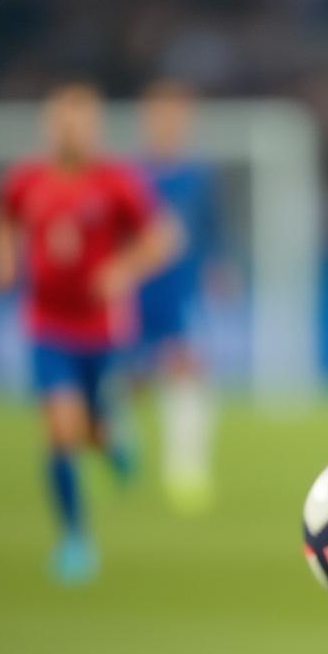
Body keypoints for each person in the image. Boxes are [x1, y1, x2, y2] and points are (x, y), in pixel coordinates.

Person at [0, 83, 176, 584]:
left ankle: (114, 445)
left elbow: (164, 237)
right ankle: (74, 539)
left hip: (103, 328)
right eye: (63, 120)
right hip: (46, 324)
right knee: (61, 429)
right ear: (49, 126)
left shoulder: (116, 181)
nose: (72, 129)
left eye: (82, 121)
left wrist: (123, 270)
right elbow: (1, 219)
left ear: (96, 128)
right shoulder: (25, 180)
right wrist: (3, 257)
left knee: (92, 427)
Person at [131, 80, 220, 513]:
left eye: (176, 115)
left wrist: (218, 268)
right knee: (130, 382)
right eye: (160, 114)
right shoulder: (128, 177)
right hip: (132, 291)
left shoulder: (198, 175)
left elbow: (211, 229)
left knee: (188, 373)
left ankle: (186, 471)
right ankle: (119, 458)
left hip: (178, 293)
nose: (169, 123)